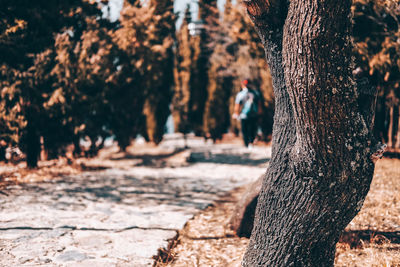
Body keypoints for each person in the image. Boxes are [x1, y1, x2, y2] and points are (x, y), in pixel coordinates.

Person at [232, 79, 262, 148]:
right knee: (252, 129)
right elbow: (259, 104)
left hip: (244, 115)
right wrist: (259, 113)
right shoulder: (256, 93)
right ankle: (250, 143)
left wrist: (236, 113)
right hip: (253, 114)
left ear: (242, 85)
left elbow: (237, 105)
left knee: (245, 130)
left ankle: (246, 144)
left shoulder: (240, 94)